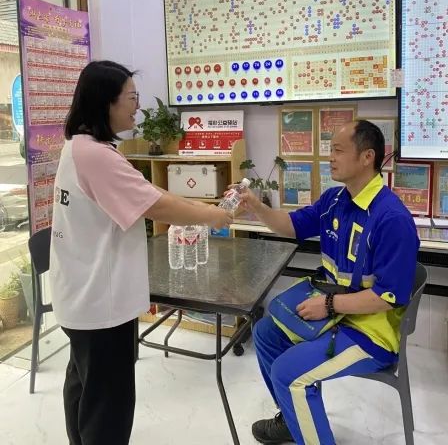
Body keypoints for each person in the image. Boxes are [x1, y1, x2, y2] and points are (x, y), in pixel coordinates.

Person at [49, 60, 232, 445]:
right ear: (107, 102)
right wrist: (213, 215)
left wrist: (201, 206)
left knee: (84, 387)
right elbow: (157, 207)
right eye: (131, 98)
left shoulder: (81, 147)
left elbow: (148, 193)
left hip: (78, 296)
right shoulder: (97, 156)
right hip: (101, 303)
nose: (137, 106)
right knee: (108, 406)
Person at [239, 120, 419, 445]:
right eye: (330, 150)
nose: (330, 158)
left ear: (367, 157)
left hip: (371, 334)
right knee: (264, 332)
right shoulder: (335, 200)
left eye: (338, 150)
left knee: (288, 373)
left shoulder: (392, 219)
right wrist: (255, 206)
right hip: (336, 315)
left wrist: (329, 305)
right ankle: (293, 420)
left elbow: (387, 297)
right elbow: (291, 225)